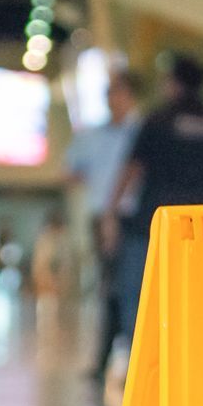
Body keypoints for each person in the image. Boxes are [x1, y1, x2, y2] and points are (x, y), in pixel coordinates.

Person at [103, 54, 203, 369]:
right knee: (199, 298)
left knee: (139, 295)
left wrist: (110, 214)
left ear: (174, 83)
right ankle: (191, 362)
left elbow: (132, 170)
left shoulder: (157, 120)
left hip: (155, 225)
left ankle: (146, 362)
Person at [64, 69, 142, 378]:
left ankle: (133, 359)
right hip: (102, 218)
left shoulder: (141, 133)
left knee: (131, 290)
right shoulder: (91, 135)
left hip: (134, 219)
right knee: (109, 288)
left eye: (120, 93)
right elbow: (69, 170)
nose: (114, 100)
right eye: (110, 94)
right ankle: (107, 358)